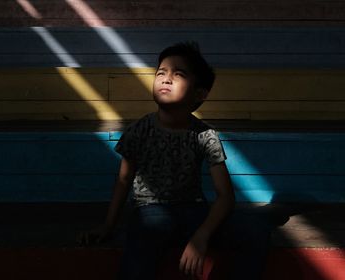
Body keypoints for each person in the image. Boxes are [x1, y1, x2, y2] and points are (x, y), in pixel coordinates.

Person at [77, 42, 271, 280]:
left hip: (194, 212)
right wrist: (108, 225)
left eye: (178, 74)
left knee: (256, 229)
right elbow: (123, 180)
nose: (166, 79)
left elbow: (226, 197)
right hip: (151, 213)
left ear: (200, 94)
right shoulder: (138, 131)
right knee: (143, 243)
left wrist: (201, 237)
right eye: (161, 73)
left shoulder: (204, 135)